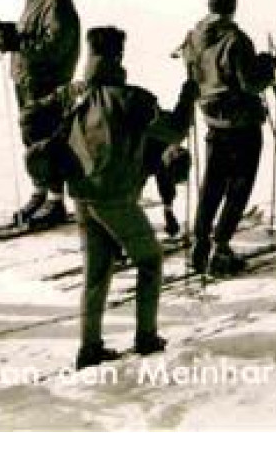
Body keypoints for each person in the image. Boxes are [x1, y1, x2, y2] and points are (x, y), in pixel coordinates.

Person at [22, 27, 191, 368]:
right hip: (114, 197)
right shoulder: (132, 99)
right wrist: (189, 91)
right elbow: (174, 130)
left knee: (96, 273)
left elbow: (31, 115)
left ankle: (90, 348)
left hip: (81, 194)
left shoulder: (77, 94)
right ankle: (145, 337)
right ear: (119, 56)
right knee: (150, 261)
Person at [180, 0, 276, 276]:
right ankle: (220, 247)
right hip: (241, 123)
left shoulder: (194, 35)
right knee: (239, 185)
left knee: (212, 183)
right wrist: (267, 66)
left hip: (212, 120)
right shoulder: (236, 40)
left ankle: (200, 243)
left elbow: (190, 67)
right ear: (232, 6)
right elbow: (250, 83)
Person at [0, 0, 81, 225]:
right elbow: (33, 31)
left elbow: (56, 46)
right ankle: (40, 190)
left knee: (48, 140)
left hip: (48, 82)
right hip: (29, 79)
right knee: (32, 138)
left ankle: (56, 199)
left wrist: (19, 44)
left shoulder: (56, 0)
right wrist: (8, 32)